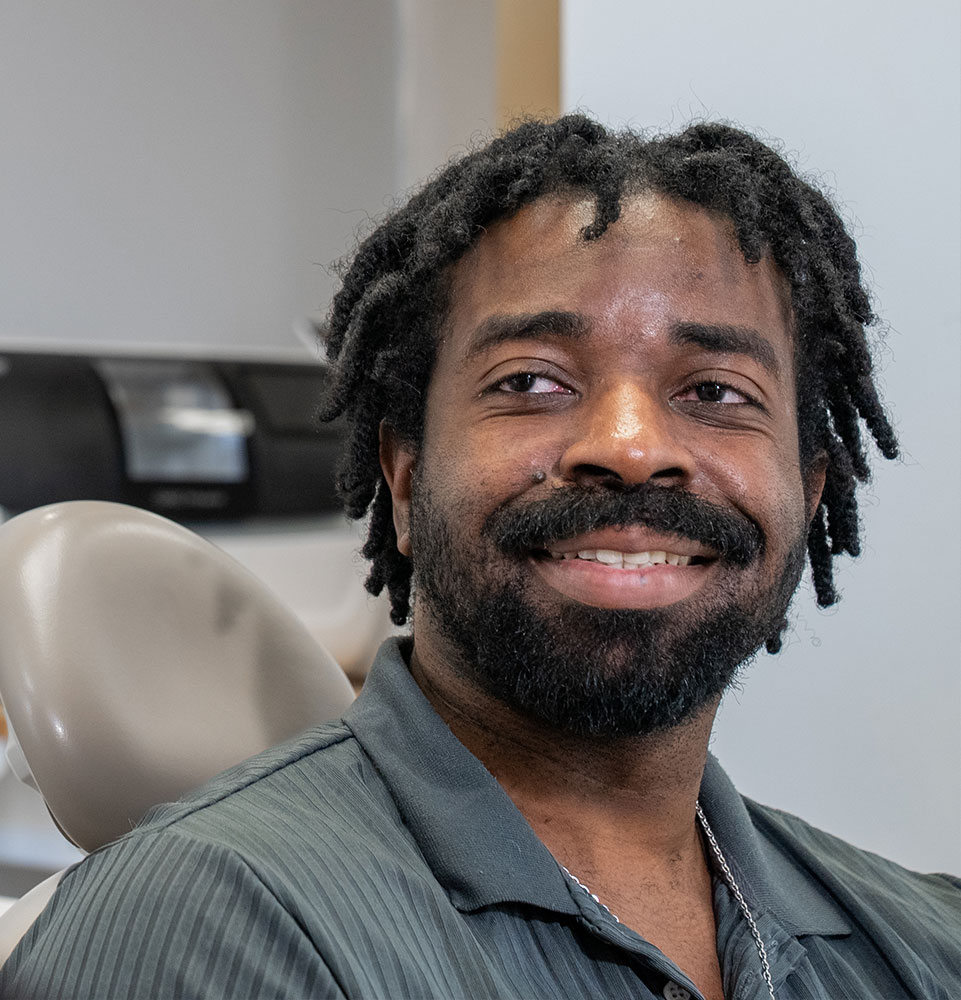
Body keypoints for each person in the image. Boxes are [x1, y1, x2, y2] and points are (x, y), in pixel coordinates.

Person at [2, 116, 958, 1000]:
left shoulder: (921, 941)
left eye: (713, 390)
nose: (628, 445)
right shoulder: (205, 926)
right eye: (533, 381)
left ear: (810, 493)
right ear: (405, 480)